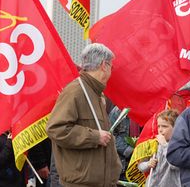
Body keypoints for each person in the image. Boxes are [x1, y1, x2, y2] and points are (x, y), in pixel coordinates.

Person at [46, 43, 121, 187]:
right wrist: (94, 137)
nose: (111, 71)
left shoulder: (94, 93)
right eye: (111, 66)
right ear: (104, 65)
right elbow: (56, 129)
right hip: (81, 183)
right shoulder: (76, 91)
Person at [137, 109, 180, 187]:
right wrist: (148, 164)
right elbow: (140, 167)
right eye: (158, 126)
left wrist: (164, 145)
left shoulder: (179, 144)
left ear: (175, 128)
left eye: (164, 126)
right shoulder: (153, 144)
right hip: (152, 184)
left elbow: (175, 166)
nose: (160, 130)